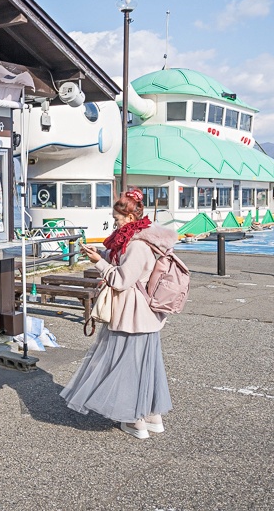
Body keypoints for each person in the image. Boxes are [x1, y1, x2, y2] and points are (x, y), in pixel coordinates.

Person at [60, 188, 177, 439]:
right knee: (146, 366)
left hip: (132, 314)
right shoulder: (139, 240)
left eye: (117, 219)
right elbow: (123, 266)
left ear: (131, 219)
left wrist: (99, 264)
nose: (114, 223)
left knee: (127, 367)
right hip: (144, 316)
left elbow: (122, 279)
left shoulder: (137, 246)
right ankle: (151, 416)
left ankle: (135, 421)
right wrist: (100, 255)